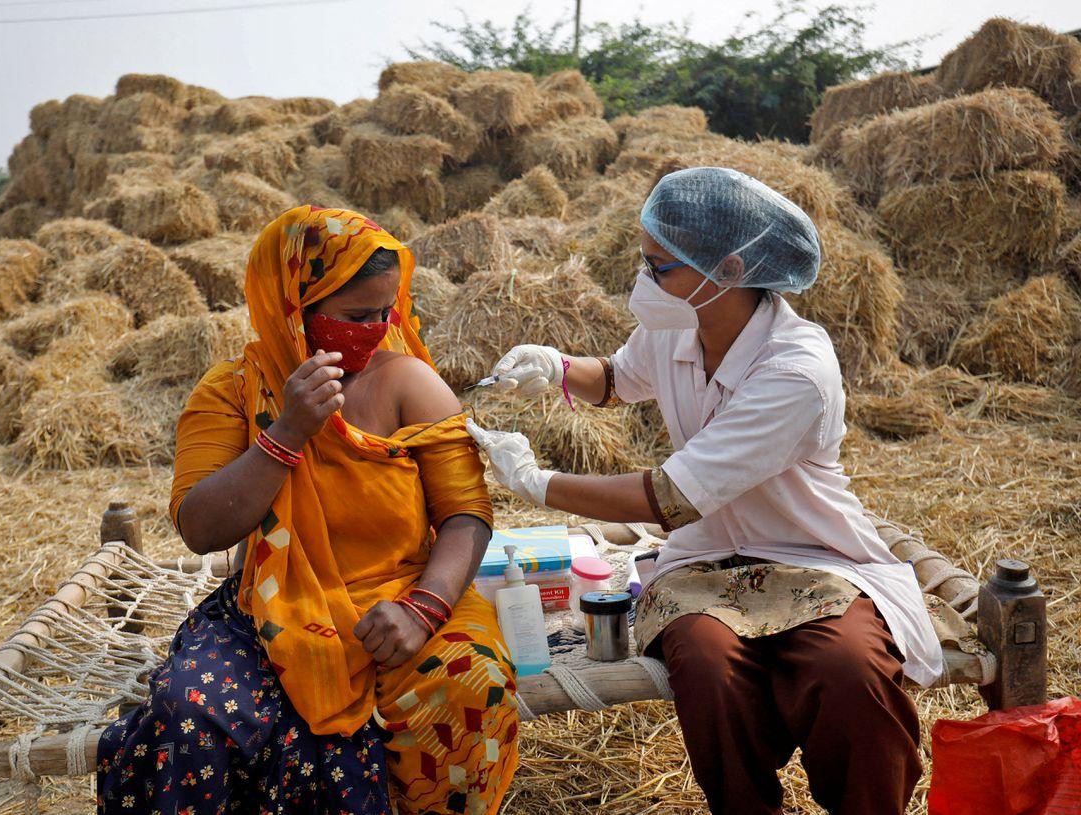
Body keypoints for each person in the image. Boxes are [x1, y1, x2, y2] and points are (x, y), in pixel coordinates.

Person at [466, 167, 941, 815]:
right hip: (703, 560)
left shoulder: (796, 368)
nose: (644, 281)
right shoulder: (677, 323)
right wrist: (554, 367)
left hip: (811, 554)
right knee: (710, 670)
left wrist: (536, 483)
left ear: (730, 269)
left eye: (660, 266)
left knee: (850, 673)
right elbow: (616, 379)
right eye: (644, 261)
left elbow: (670, 497)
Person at [97, 206, 519, 815]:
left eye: (385, 312)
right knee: (191, 710)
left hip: (405, 597)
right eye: (354, 317)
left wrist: (423, 610)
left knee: (473, 685)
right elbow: (200, 527)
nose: (374, 330)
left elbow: (467, 515)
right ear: (293, 304)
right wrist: (287, 431)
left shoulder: (410, 383)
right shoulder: (233, 391)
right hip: (274, 607)